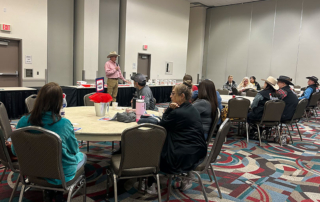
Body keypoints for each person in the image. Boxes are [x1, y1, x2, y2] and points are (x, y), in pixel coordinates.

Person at [11, 82, 86, 202]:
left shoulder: (23, 121)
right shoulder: (64, 124)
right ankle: (56, 191)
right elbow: (74, 150)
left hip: (32, 170)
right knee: (82, 156)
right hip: (61, 174)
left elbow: (15, 151)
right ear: (59, 103)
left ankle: (48, 191)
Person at [147, 84, 207, 193]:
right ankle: (185, 175)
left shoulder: (178, 112)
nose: (170, 96)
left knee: (153, 150)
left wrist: (169, 109)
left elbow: (162, 125)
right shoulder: (191, 108)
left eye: (173, 93)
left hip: (184, 153)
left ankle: (151, 183)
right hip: (196, 149)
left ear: (182, 96)